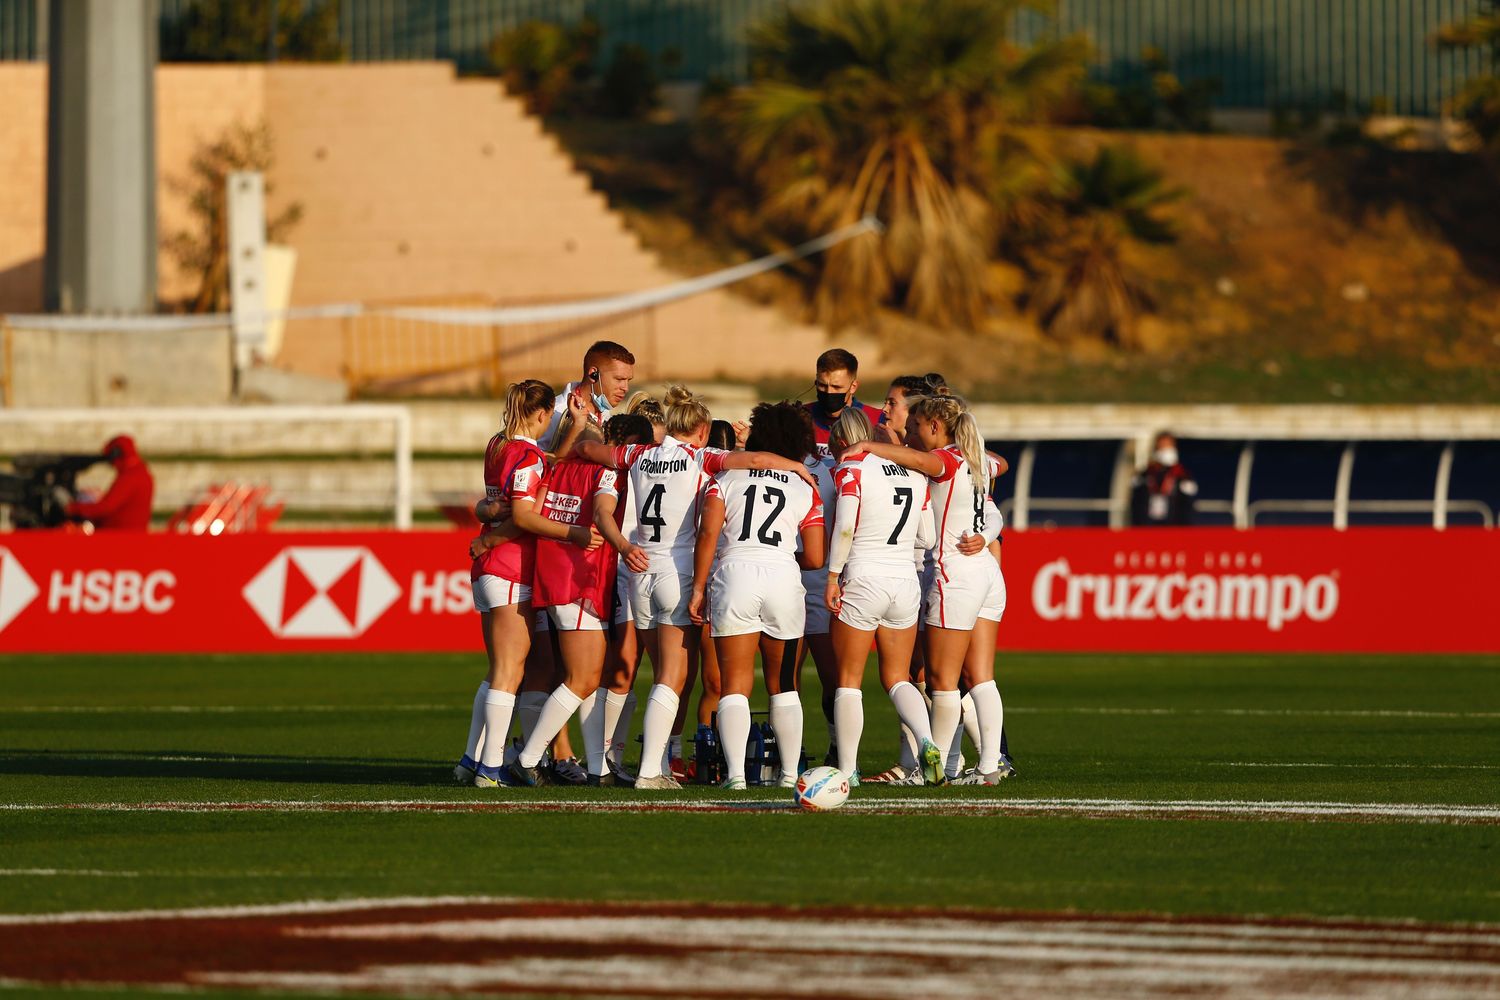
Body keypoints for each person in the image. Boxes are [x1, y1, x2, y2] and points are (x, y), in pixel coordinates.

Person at [574, 384, 818, 790]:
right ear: (702, 430)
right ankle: (652, 770)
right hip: (680, 570)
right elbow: (754, 459)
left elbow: (588, 452)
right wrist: (795, 467)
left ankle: (661, 766)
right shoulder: (703, 458)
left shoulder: (638, 454)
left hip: (640, 570)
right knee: (674, 678)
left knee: (661, 677)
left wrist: (580, 433)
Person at [845, 394, 1009, 785]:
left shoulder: (948, 460)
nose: (913, 433)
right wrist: (988, 534)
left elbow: (921, 462)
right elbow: (1001, 463)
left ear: (936, 426)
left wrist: (868, 444)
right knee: (983, 677)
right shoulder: (977, 460)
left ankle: (940, 769)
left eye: (917, 425)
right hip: (988, 574)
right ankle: (988, 766)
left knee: (942, 680)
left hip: (956, 575)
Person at [458, 381, 604, 788]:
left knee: (498, 671)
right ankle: (490, 766)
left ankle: (471, 760)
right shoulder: (526, 456)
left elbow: (544, 464)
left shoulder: (499, 445)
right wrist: (572, 533)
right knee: (509, 671)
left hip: (491, 568)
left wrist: (574, 427)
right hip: (511, 568)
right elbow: (524, 516)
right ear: (541, 415)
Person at [689, 401, 825, 790]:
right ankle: (787, 775)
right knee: (783, 685)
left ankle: (734, 776)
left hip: (735, 575)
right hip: (783, 576)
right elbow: (815, 556)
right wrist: (781, 553)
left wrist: (699, 588)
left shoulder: (724, 479)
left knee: (734, 683)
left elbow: (707, 536)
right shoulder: (805, 485)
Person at [509, 424, 649, 787]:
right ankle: (527, 757)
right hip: (582, 578)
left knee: (585, 675)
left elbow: (533, 514)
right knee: (582, 679)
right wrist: (622, 545)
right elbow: (603, 514)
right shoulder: (604, 472)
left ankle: (598, 770)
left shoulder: (558, 468)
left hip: (554, 574)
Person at [823, 408, 943, 788]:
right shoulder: (915, 473)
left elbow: (845, 525)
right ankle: (927, 742)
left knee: (847, 681)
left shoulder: (852, 468)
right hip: (904, 580)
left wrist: (832, 575)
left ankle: (847, 771)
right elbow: (927, 537)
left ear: (843, 440)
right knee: (897, 677)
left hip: (863, 574)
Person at [539, 341, 637, 453]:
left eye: (628, 380)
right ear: (593, 375)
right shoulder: (555, 412)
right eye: (619, 379)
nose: (625, 388)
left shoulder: (605, 413)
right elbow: (536, 465)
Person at [65, 436, 153, 532]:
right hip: (131, 533)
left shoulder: (130, 477)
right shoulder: (142, 473)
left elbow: (106, 507)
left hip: (118, 535)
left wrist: (74, 508)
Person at [804, 349, 884, 454]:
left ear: (853, 387)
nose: (829, 392)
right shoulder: (799, 417)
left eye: (836, 387)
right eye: (822, 385)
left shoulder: (878, 421)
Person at [1131, 432, 1198, 526]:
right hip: (1148, 525)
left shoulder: (1181, 474)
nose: (1165, 450)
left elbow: (1188, 503)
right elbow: (1136, 500)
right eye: (1162, 446)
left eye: (1168, 446)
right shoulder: (1147, 473)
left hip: (1174, 525)